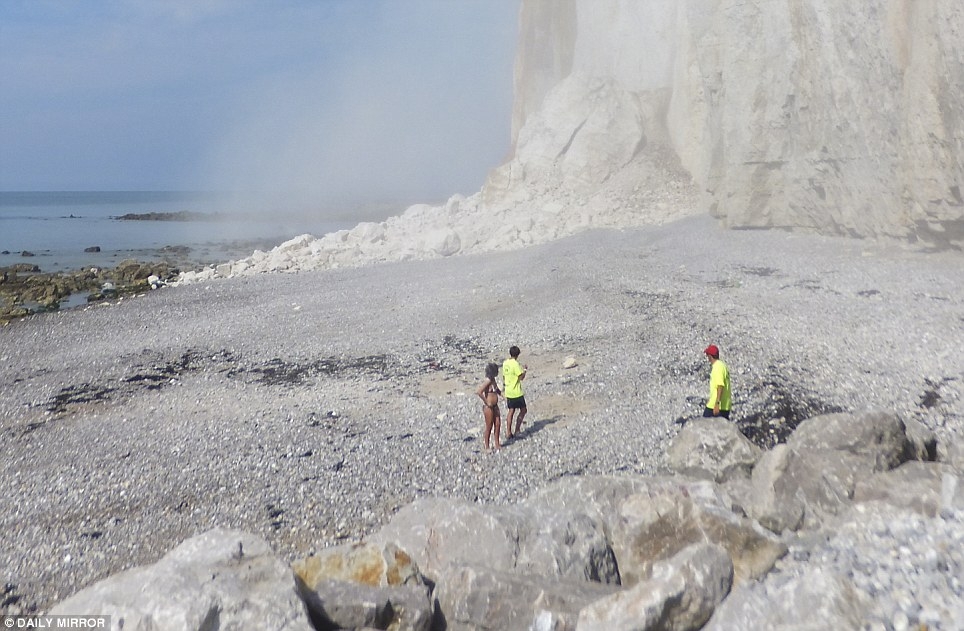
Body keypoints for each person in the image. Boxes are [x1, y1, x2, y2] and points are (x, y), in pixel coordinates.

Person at [502, 346, 528, 438]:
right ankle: (517, 430)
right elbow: (521, 378)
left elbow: (504, 377)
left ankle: (508, 432)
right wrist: (524, 370)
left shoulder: (505, 363)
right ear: (518, 354)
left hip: (508, 391)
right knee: (523, 410)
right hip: (516, 391)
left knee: (511, 411)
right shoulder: (515, 364)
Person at [476, 362, 502, 451]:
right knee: (489, 426)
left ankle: (497, 443)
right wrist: (486, 401)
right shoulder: (487, 381)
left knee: (498, 424)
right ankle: (487, 446)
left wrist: (503, 395)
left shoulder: (493, 380)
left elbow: (497, 389)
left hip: (495, 405)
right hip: (489, 407)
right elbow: (479, 392)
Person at [703, 344, 732, 419]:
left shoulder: (717, 367)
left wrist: (717, 403)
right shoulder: (722, 365)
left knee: (704, 426)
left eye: (707, 354)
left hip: (716, 406)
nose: (707, 357)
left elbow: (720, 385)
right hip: (725, 405)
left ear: (710, 356)